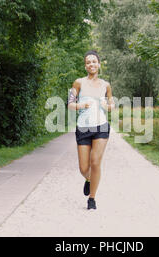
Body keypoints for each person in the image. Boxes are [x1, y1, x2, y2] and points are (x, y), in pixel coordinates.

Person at [67, 50, 115, 210]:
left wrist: (107, 106)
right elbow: (70, 103)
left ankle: (92, 199)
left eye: (94, 61)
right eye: (88, 62)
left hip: (101, 126)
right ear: (85, 66)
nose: (91, 64)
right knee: (83, 168)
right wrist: (80, 105)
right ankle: (88, 179)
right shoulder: (78, 83)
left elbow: (112, 104)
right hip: (83, 127)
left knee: (95, 163)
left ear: (99, 64)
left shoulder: (106, 85)